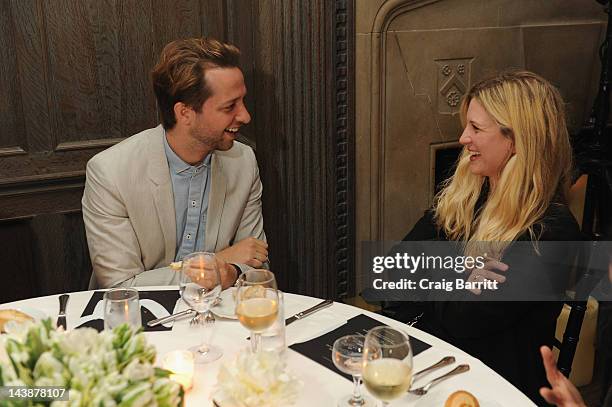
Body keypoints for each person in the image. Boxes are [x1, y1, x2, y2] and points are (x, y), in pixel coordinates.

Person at [401, 71, 583, 405]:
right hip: (439, 361)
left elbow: (465, 320)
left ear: (515, 139)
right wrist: (461, 276)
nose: (462, 138)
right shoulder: (468, 196)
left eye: (476, 128)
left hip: (497, 386)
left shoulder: (552, 230)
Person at [82, 37, 268, 289]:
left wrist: (232, 270)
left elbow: (257, 267)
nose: (245, 115)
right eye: (229, 106)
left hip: (219, 318)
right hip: (138, 321)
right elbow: (121, 287)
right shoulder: (110, 172)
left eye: (242, 101)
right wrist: (220, 262)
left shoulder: (242, 161)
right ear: (185, 113)